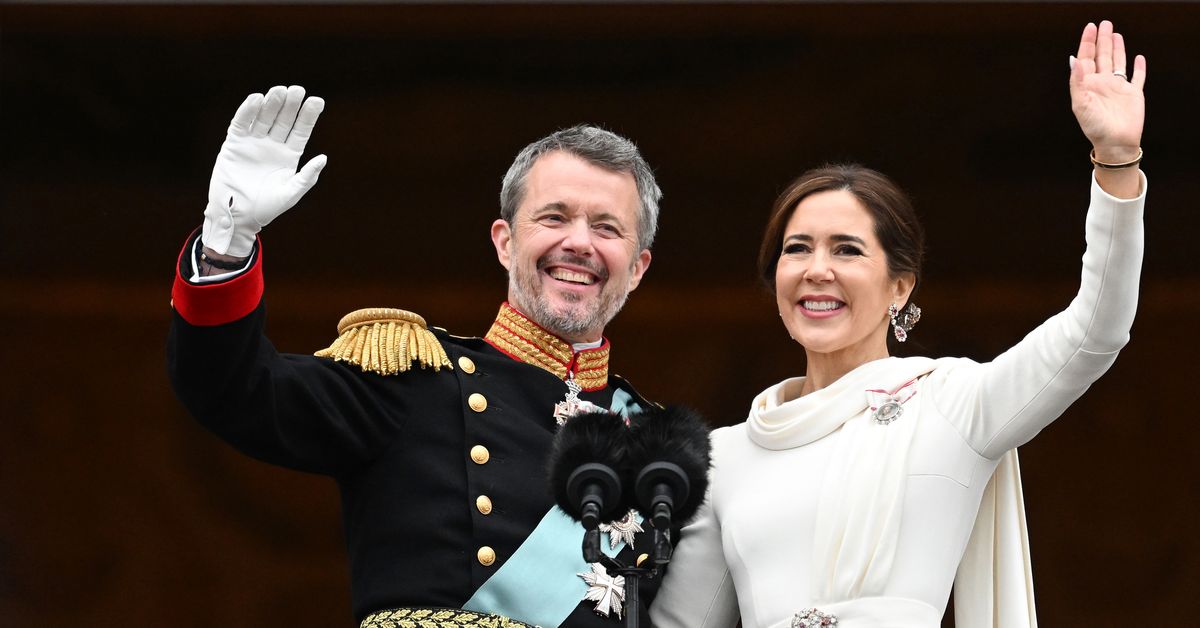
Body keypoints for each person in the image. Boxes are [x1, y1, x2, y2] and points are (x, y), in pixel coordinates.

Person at [649, 20, 1146, 628]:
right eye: (797, 249)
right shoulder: (723, 456)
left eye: (848, 250)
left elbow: (1096, 330)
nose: (817, 270)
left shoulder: (955, 403)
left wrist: (1117, 161)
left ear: (900, 285)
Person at [167, 85, 665, 627]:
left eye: (606, 227)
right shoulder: (412, 378)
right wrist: (227, 241)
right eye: (553, 218)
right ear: (504, 241)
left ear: (637, 267)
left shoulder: (662, 452)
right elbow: (232, 388)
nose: (579, 243)